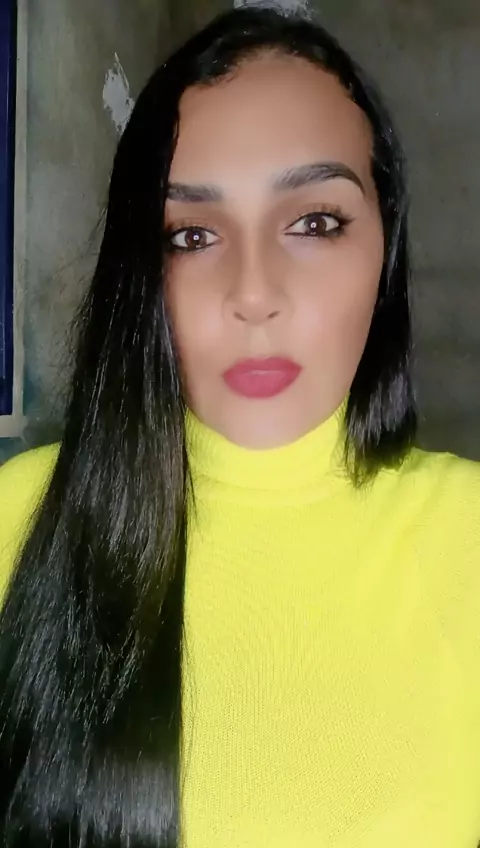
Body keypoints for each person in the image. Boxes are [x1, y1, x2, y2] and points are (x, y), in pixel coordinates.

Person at [0, 5, 479, 847]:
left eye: (315, 223)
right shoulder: (17, 515)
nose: (253, 294)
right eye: (191, 235)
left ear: (386, 250)